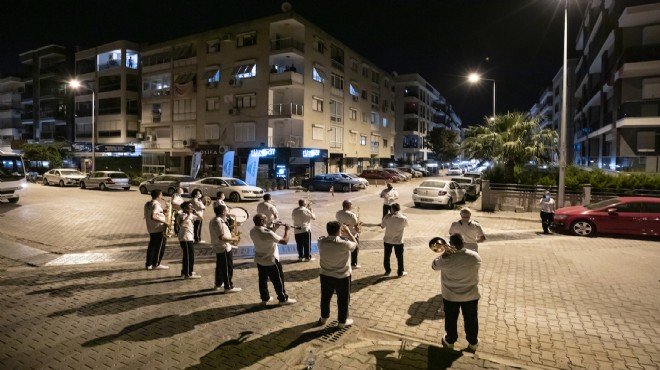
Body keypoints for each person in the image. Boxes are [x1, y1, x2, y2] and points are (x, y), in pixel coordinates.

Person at [431, 233, 481, 352]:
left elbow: (434, 266)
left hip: (451, 296)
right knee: (471, 320)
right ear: (463, 242)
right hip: (471, 295)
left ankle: (450, 341)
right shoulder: (475, 256)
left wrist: (444, 255)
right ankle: (473, 342)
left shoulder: (445, 259)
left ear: (450, 244)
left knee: (451, 319)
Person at [317, 221, 358, 328]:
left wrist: (339, 234)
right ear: (339, 231)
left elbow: (330, 238)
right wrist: (349, 233)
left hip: (325, 274)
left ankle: (324, 317)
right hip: (342, 276)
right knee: (343, 298)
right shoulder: (344, 243)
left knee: (325, 297)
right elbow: (355, 245)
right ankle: (342, 321)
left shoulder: (321, 242)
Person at [249, 213, 296, 305]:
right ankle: (283, 299)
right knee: (278, 280)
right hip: (271, 260)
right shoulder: (267, 232)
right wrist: (287, 230)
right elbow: (284, 241)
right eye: (265, 218)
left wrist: (275, 228)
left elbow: (267, 237)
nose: (267, 219)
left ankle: (265, 298)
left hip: (260, 259)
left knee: (262, 280)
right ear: (262, 221)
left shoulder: (253, 230)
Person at [209, 204, 241, 292]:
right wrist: (234, 238)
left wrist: (229, 228)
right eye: (227, 210)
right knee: (227, 267)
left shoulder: (215, 220)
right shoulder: (219, 222)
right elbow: (222, 237)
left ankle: (218, 283)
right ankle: (228, 286)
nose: (228, 212)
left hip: (219, 247)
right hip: (223, 247)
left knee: (220, 266)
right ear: (223, 212)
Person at [143, 189, 170, 270]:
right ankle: (156, 264)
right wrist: (165, 222)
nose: (162, 196)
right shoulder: (156, 205)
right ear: (159, 195)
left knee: (152, 247)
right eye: (161, 195)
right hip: (158, 229)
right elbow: (153, 216)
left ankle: (149, 264)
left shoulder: (148, 204)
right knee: (159, 247)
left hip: (151, 228)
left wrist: (163, 211)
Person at [380, 203, 409, 277]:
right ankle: (400, 272)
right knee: (399, 257)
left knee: (387, 256)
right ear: (399, 209)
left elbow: (382, 226)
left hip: (388, 240)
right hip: (398, 241)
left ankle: (387, 271)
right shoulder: (403, 218)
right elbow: (405, 225)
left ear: (392, 209)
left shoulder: (387, 217)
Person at [177, 201, 201, 279]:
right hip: (185, 238)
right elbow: (182, 223)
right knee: (188, 255)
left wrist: (196, 212)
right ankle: (187, 273)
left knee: (190, 255)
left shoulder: (190, 215)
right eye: (190, 206)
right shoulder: (181, 215)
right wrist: (188, 215)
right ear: (185, 208)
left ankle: (186, 271)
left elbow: (200, 218)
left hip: (190, 237)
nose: (191, 207)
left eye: (191, 206)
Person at [336, 200, 361, 268]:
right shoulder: (352, 215)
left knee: (343, 250)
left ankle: (343, 263)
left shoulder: (338, 213)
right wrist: (358, 229)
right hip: (351, 234)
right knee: (355, 248)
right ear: (349, 206)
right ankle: (354, 263)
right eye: (351, 205)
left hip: (342, 234)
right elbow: (356, 225)